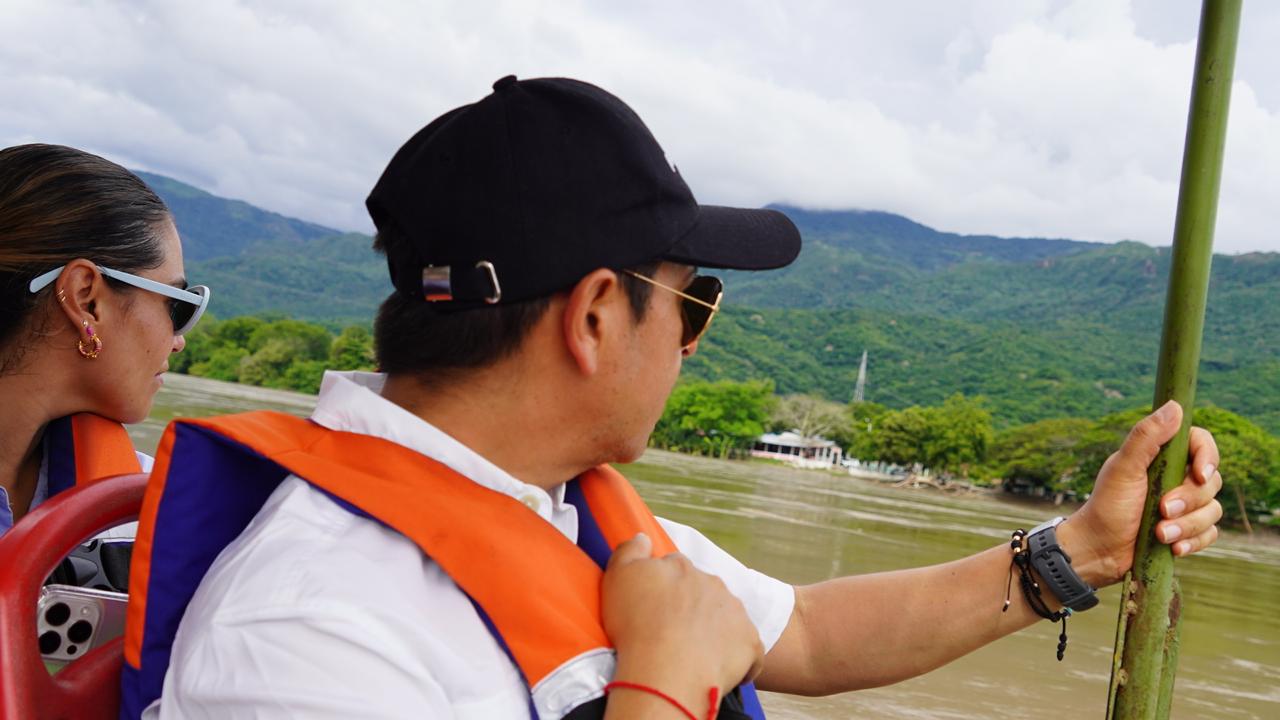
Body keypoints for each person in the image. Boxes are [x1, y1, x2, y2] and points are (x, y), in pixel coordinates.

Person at [123, 77, 1223, 720]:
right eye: (693, 302)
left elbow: (808, 635)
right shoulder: (307, 629)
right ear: (597, 316)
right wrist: (659, 689)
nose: (693, 343)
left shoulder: (561, 510)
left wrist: (1079, 550)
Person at [0, 144, 210, 581]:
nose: (179, 342)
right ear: (86, 299)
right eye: (178, 305)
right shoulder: (148, 505)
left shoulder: (153, 506)